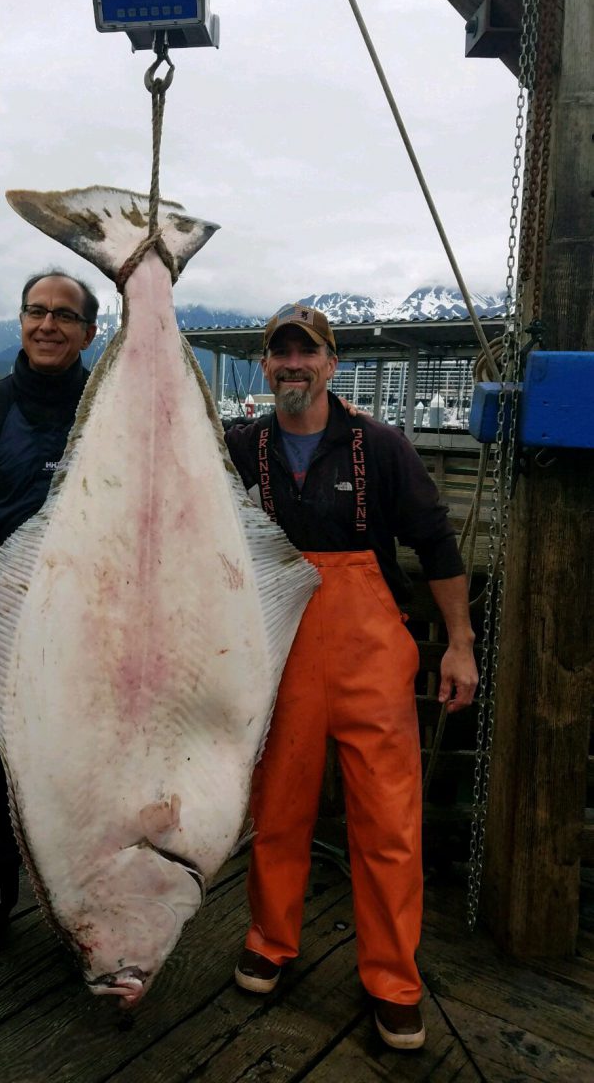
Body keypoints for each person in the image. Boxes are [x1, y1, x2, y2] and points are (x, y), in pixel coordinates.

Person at [225, 303, 478, 1051]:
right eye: (280, 355)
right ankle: (270, 940)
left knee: (389, 824)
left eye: (308, 354)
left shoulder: (381, 447)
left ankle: (394, 981)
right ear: (265, 367)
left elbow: (436, 545)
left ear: (332, 364)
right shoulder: (240, 448)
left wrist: (459, 643)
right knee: (278, 808)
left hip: (372, 660)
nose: (293, 365)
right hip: (280, 656)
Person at [0, 269, 98, 975]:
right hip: (4, 629)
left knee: (88, 778)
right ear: (20, 321)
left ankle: (84, 913)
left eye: (65, 315)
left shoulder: (109, 410)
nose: (48, 325)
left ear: (91, 332)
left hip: (91, 634)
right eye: (36, 311)